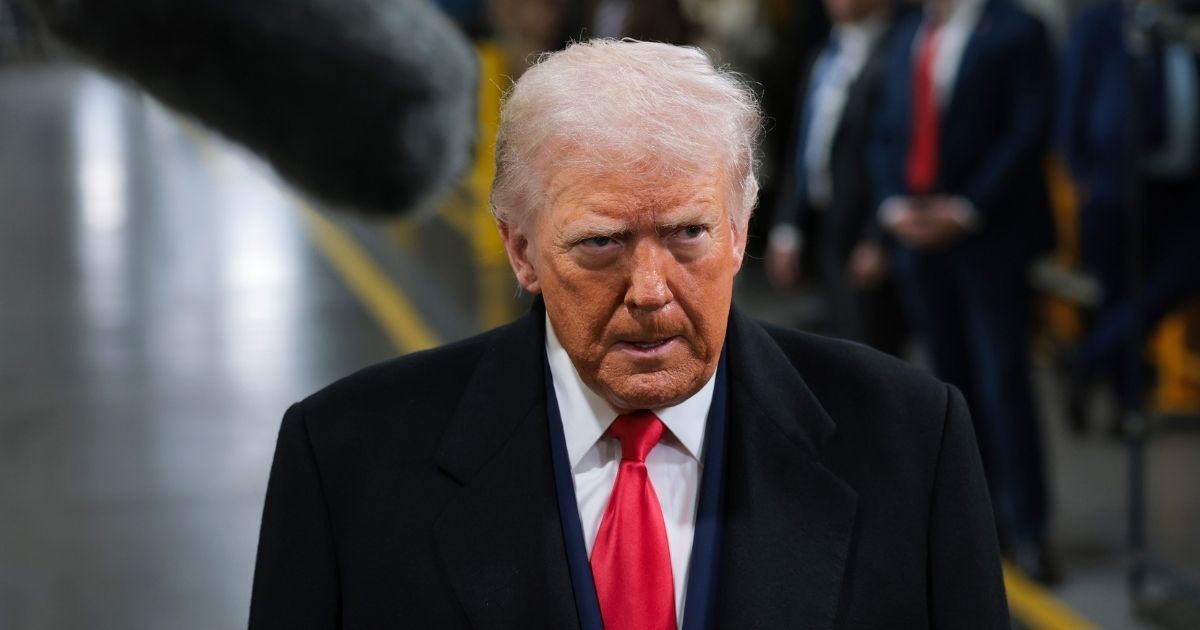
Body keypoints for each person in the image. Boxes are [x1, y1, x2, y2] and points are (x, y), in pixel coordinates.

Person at [249, 39, 1008, 628]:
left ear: (740, 232)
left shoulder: (914, 440)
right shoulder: (344, 462)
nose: (650, 291)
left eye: (688, 234)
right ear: (521, 249)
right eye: (601, 244)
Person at [869, 0, 1057, 581]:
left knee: (1003, 380)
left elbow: (1028, 131)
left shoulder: (1018, 30)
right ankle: (976, 525)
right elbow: (884, 128)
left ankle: (1027, 530)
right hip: (920, 239)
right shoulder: (907, 33)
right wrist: (893, 206)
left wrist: (969, 208)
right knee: (948, 387)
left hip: (990, 237)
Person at [1059, 0, 1200, 427]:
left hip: (1183, 187)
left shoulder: (1188, 18)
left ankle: (1088, 358)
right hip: (1114, 184)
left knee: (1180, 276)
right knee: (1117, 289)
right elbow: (1072, 97)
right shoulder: (1104, 21)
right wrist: (1080, 171)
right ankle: (1128, 404)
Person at [767, 0, 907, 355]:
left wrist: (878, 237)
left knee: (875, 350)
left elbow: (896, 151)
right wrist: (787, 226)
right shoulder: (824, 54)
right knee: (835, 347)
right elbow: (803, 144)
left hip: (869, 230)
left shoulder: (901, 50)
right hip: (824, 222)